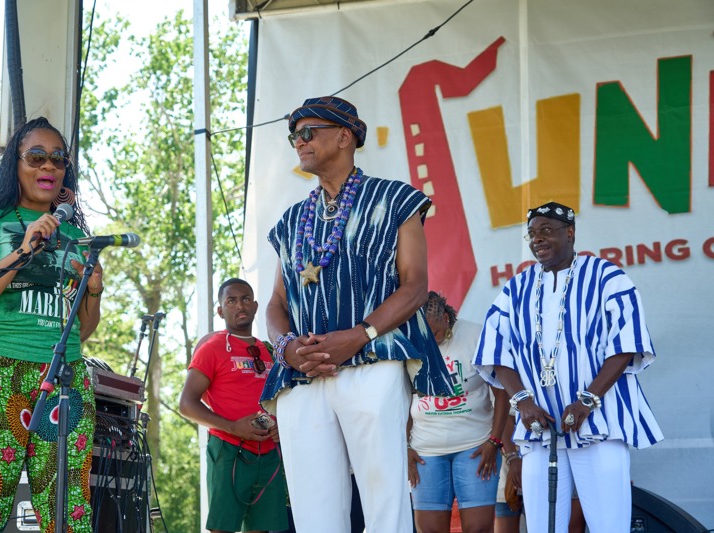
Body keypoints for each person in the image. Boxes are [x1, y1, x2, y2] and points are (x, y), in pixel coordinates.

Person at [260, 96, 455, 533]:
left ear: (344, 137)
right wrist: (286, 347)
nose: (299, 142)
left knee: (384, 504)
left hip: (373, 362)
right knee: (313, 513)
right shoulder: (292, 220)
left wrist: (358, 334)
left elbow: (414, 286)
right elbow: (276, 303)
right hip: (303, 373)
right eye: (294, 137)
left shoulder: (396, 199)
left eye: (307, 132)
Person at [0, 117, 103, 532]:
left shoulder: (74, 235)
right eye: (36, 156)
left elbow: (81, 331)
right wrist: (22, 252)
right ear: (13, 162)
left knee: (69, 513)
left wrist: (94, 290)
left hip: (64, 375)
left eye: (58, 158)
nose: (48, 166)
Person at [474, 201, 663, 532]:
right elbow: (494, 351)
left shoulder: (607, 276)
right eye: (532, 234)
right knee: (543, 526)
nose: (537, 239)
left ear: (570, 232)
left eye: (546, 231)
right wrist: (523, 402)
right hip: (540, 430)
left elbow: (627, 343)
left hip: (599, 425)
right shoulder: (515, 288)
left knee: (609, 525)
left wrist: (588, 400)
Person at [180, 278, 288, 533]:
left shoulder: (269, 350)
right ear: (220, 311)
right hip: (228, 449)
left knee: (262, 529)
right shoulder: (212, 348)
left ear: (255, 306)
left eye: (246, 299)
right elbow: (186, 404)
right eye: (231, 301)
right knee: (222, 528)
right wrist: (232, 427)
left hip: (269, 452)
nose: (240, 305)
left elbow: (282, 400)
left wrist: (280, 426)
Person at [407, 291, 509, 533]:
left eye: (435, 334)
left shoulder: (475, 335)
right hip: (425, 451)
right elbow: (400, 399)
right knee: (429, 530)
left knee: (478, 528)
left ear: (445, 318)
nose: (430, 343)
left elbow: (502, 391)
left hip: (475, 447)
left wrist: (494, 441)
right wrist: (405, 447)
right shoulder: (409, 341)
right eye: (423, 337)